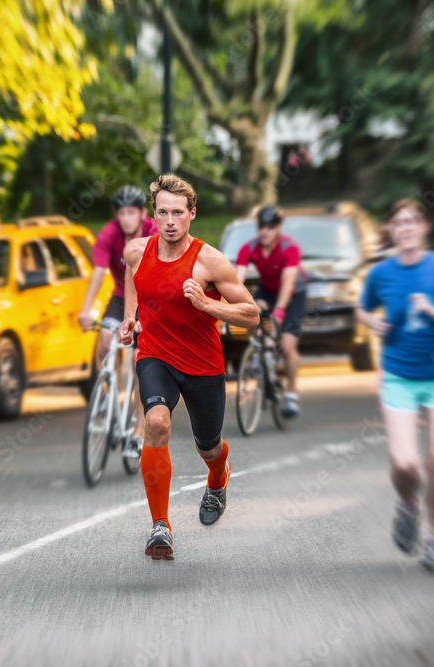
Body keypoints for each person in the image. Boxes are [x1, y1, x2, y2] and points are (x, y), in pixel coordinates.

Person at [120, 174, 259, 560]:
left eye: (177, 213)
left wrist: (208, 305)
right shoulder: (137, 250)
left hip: (202, 364)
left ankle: (218, 477)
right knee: (157, 423)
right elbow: (131, 274)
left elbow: (252, 314)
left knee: (208, 446)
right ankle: (160, 526)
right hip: (155, 355)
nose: (169, 221)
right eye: (162, 212)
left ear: (191, 214)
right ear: (154, 214)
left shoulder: (209, 261)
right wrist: (130, 315)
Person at [356, 198, 434, 573]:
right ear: (392, 232)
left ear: (424, 228)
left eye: (413, 221)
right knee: (406, 463)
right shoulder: (382, 274)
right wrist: (371, 322)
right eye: (399, 223)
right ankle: (409, 505)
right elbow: (364, 308)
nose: (407, 227)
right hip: (398, 376)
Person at [77, 185, 158, 459]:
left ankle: (138, 431)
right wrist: (86, 309)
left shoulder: (153, 231)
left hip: (148, 300)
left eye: (131, 212)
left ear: (142, 214)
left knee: (139, 362)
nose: (126, 218)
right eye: (121, 213)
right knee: (103, 341)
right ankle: (109, 399)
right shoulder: (110, 235)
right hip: (121, 297)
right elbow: (99, 272)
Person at [235, 206, 309, 418]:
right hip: (267, 290)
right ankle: (258, 349)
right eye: (261, 227)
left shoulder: (289, 248)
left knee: (287, 344)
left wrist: (279, 311)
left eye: (270, 227)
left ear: (278, 228)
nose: (265, 231)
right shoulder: (248, 248)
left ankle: (292, 394)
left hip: (293, 293)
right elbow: (237, 282)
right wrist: (246, 302)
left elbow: (288, 283)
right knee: (250, 313)